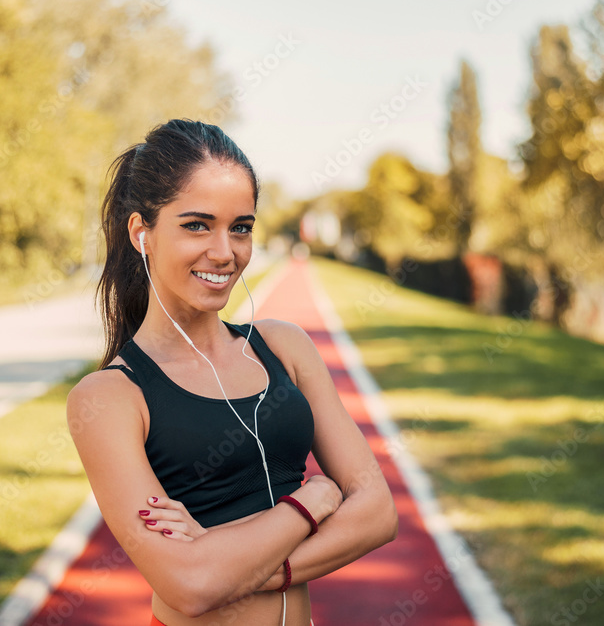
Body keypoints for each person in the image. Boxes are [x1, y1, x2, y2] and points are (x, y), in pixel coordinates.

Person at [66, 119, 399, 626]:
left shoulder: (285, 347)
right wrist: (313, 500)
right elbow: (191, 586)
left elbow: (377, 513)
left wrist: (239, 566)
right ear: (143, 233)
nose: (225, 252)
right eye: (197, 225)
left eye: (240, 227)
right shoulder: (110, 396)